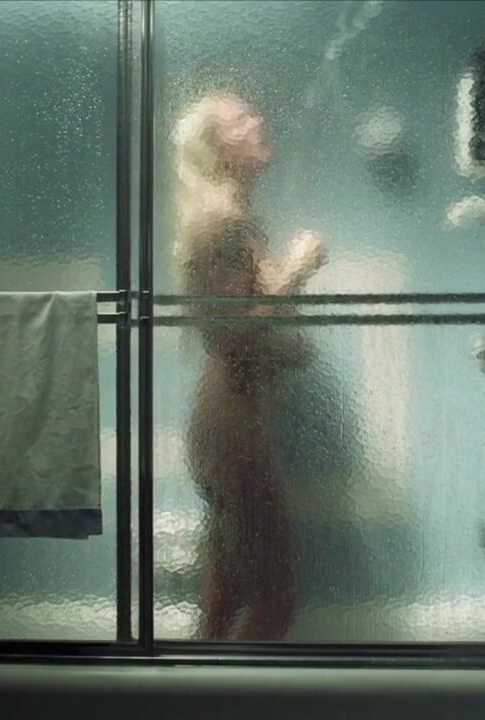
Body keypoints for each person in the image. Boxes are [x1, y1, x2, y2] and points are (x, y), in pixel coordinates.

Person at [172, 94, 327, 640]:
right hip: (230, 429)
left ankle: (196, 685)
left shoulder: (232, 220)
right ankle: (225, 690)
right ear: (218, 149)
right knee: (275, 603)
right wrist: (297, 269)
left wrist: (285, 352)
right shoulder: (219, 223)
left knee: (223, 601)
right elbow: (230, 334)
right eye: (240, 119)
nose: (258, 120)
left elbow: (237, 334)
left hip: (231, 423)